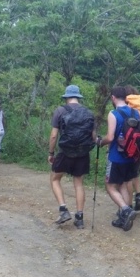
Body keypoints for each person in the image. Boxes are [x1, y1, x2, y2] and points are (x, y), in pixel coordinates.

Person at [48, 85, 96, 229]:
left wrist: (51, 153)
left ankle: (63, 210)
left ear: (66, 97)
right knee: (79, 183)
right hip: (82, 152)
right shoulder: (88, 113)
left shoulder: (60, 111)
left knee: (55, 179)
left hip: (65, 151)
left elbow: (54, 135)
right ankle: (79, 218)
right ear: (78, 97)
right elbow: (93, 136)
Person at [96, 86, 140, 231]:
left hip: (116, 157)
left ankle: (126, 210)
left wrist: (100, 142)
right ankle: (123, 218)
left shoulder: (113, 114)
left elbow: (110, 137)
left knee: (110, 186)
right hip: (132, 157)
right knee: (123, 185)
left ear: (113, 98)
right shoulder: (135, 112)